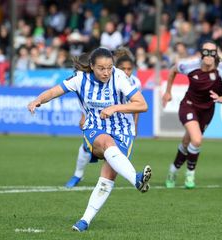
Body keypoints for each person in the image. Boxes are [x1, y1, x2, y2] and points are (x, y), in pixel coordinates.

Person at [27, 47, 151, 232]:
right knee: (106, 142)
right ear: (92, 66)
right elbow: (54, 91)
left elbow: (142, 105)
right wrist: (38, 100)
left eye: (109, 68)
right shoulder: (79, 79)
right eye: (101, 68)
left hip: (122, 131)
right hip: (95, 127)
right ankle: (136, 179)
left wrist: (115, 108)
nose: (106, 72)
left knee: (107, 177)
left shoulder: (119, 77)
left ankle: (84, 221)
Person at [65, 47, 142, 188]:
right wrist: (84, 116)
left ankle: (131, 179)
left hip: (119, 125)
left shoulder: (133, 82)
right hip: (98, 122)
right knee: (86, 148)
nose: (126, 71)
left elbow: (137, 105)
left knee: (112, 154)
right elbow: (91, 99)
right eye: (122, 67)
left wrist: (135, 125)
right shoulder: (104, 75)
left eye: (129, 68)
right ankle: (77, 174)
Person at [162, 40, 222, 189]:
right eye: (205, 52)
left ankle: (173, 170)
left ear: (216, 54)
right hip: (189, 106)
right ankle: (190, 174)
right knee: (197, 139)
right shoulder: (189, 65)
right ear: (201, 53)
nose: (208, 55)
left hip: (207, 111)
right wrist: (168, 92)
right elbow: (172, 71)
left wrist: (221, 98)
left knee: (187, 141)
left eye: (212, 52)